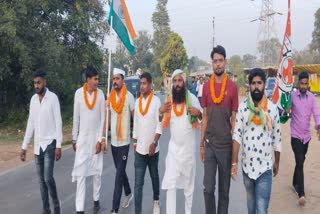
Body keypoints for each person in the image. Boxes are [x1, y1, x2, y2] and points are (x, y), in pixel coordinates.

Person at [231, 68, 281, 214]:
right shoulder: (243, 108)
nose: (256, 86)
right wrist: (234, 162)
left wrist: (276, 162)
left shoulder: (272, 109)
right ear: (249, 86)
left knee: (261, 208)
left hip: (264, 168)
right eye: (253, 83)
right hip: (247, 168)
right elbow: (237, 135)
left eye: (259, 83)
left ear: (264, 85)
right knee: (251, 208)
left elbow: (277, 138)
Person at [200, 45, 239, 214]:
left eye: (220, 61)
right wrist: (201, 144)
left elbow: (234, 118)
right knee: (208, 189)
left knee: (224, 192)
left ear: (225, 62)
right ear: (212, 64)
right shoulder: (206, 87)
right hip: (209, 144)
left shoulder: (232, 88)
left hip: (225, 146)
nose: (218, 64)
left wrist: (234, 153)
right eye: (215, 61)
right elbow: (205, 116)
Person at [160, 69, 202, 214]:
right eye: (175, 81)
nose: (177, 84)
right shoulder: (169, 100)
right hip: (173, 151)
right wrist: (160, 111)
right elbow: (160, 122)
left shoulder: (193, 99)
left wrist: (199, 114)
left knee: (188, 188)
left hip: (188, 152)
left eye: (179, 81)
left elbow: (203, 120)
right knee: (170, 183)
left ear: (184, 82)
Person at [20, 69, 62, 214]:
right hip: (38, 146)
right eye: (35, 83)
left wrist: (59, 146)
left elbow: (58, 122)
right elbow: (30, 124)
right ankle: (46, 210)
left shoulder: (53, 98)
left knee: (48, 178)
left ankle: (57, 206)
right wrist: (24, 146)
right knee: (41, 182)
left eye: (39, 82)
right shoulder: (33, 100)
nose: (36, 86)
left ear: (45, 81)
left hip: (50, 144)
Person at [71, 67, 106, 214]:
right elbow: (75, 118)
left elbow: (104, 119)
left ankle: (96, 199)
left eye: (98, 79)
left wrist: (100, 140)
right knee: (81, 174)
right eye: (95, 79)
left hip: (96, 139)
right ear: (88, 79)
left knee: (97, 172)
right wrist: (74, 138)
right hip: (83, 139)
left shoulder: (101, 94)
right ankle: (79, 209)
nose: (97, 81)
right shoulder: (79, 93)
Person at [132, 72, 162, 214]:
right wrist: (135, 143)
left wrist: (154, 142)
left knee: (154, 177)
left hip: (153, 150)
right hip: (140, 149)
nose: (142, 86)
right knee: (138, 184)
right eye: (141, 83)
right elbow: (136, 123)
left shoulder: (156, 102)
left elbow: (159, 125)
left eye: (144, 83)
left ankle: (156, 201)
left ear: (150, 84)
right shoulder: (137, 102)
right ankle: (138, 211)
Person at [289, 71, 320, 206]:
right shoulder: (292, 96)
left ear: (308, 84)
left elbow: (317, 114)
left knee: (300, 161)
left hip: (306, 137)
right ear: (298, 83)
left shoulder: (312, 98)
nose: (304, 86)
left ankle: (294, 182)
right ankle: (301, 194)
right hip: (295, 135)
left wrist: (319, 127)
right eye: (301, 83)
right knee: (300, 161)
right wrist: (284, 111)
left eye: (306, 84)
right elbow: (286, 109)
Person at [107, 68, 135, 214]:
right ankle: (129, 193)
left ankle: (114, 209)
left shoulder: (129, 97)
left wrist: (136, 138)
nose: (115, 82)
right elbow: (108, 118)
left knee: (118, 176)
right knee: (120, 171)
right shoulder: (110, 97)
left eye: (118, 79)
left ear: (123, 80)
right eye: (114, 79)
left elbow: (134, 118)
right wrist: (103, 137)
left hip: (124, 142)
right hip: (113, 142)